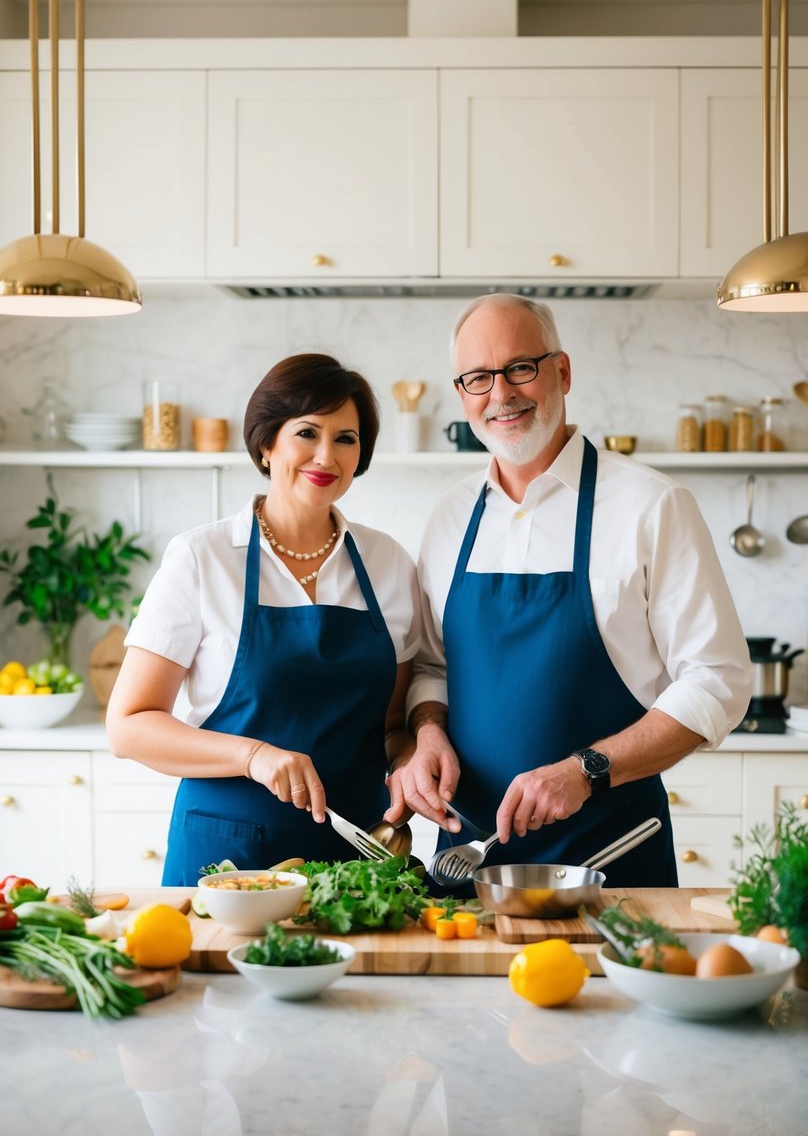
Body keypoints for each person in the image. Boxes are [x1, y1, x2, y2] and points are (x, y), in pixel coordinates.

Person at [384, 294, 752, 887]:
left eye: (520, 368)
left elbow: (718, 681)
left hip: (612, 863)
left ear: (563, 372)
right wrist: (426, 732)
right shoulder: (449, 517)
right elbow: (432, 665)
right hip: (469, 866)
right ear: (462, 396)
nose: (500, 393)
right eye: (479, 377)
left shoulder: (651, 505)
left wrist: (586, 770)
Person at [107, 354, 420, 885]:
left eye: (347, 438)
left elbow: (392, 726)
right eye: (307, 432)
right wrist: (253, 756)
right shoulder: (202, 558)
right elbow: (129, 727)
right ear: (266, 443)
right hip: (225, 860)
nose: (327, 454)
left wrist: (412, 763)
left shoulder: (388, 563)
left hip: (355, 861)